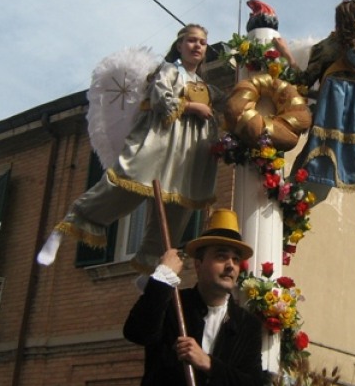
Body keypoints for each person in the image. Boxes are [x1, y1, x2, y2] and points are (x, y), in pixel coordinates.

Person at [37, 24, 224, 270]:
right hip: (159, 144)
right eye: (191, 41)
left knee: (177, 213)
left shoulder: (206, 87)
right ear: (179, 45)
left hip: (186, 157)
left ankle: (150, 267)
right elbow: (161, 99)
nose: (197, 46)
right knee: (123, 189)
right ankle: (66, 227)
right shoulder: (168, 71)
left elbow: (230, 106)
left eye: (202, 42)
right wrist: (192, 108)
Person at [278, 0, 355, 270]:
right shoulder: (328, 47)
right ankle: (287, 223)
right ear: (350, 10)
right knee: (316, 176)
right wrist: (286, 55)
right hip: (335, 119)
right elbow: (305, 82)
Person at [124, 209, 266, 386]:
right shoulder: (174, 306)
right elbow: (137, 331)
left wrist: (208, 363)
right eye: (221, 256)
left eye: (236, 259)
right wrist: (162, 278)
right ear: (199, 264)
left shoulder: (246, 324)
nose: (230, 265)